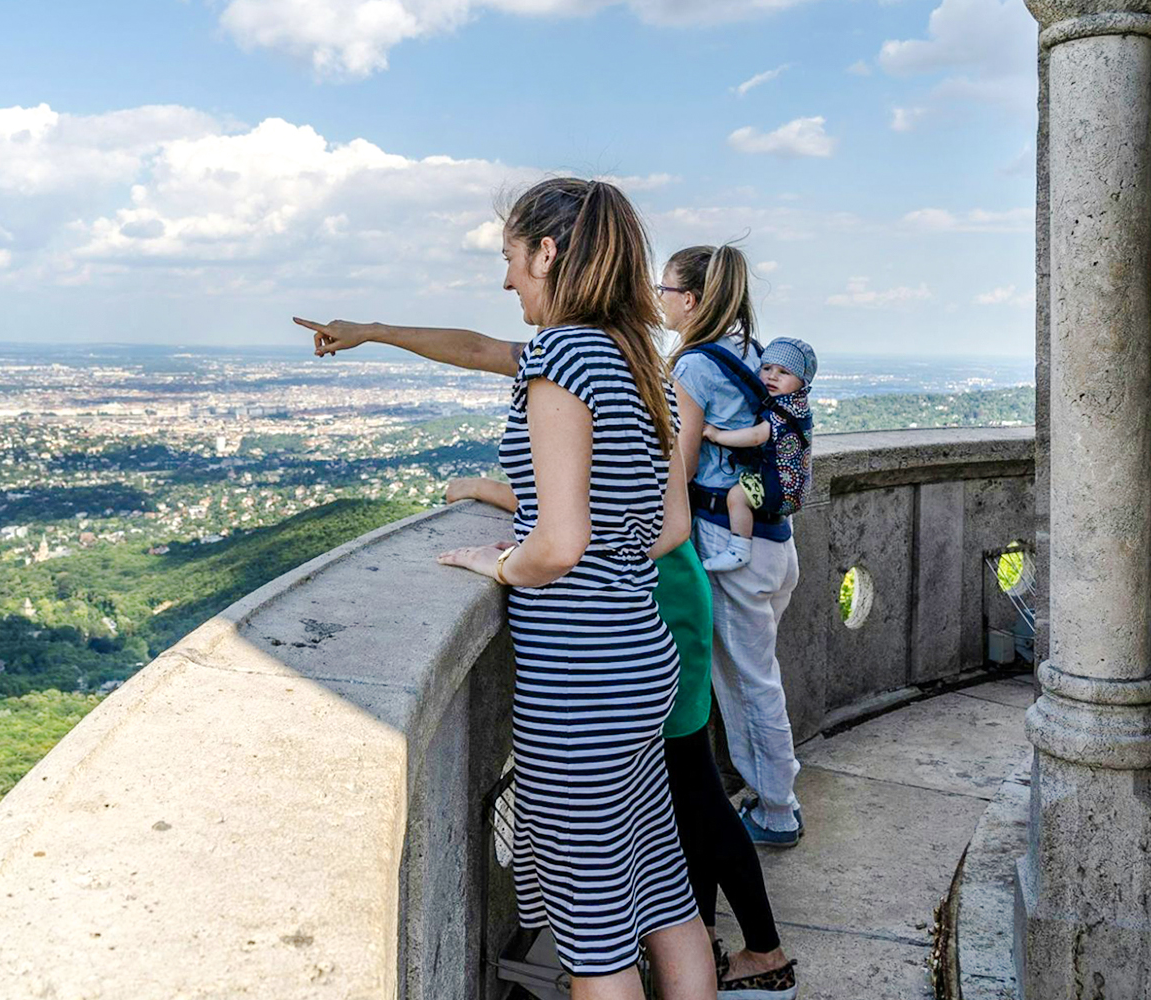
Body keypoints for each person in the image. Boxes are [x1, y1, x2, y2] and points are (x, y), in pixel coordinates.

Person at [295, 237, 799, 997]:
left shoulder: (562, 357)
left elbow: (559, 545)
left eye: (510, 256)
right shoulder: (636, 358)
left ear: (549, 252)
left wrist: (502, 562)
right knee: (664, 897)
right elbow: (665, 531)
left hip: (580, 679)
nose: (504, 278)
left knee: (596, 942)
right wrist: (374, 329)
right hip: (642, 654)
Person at [663, 244, 805, 851]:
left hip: (728, 543)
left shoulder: (694, 365)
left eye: (664, 290)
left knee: (749, 684)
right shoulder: (752, 352)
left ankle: (778, 811)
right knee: (755, 677)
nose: (657, 300)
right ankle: (767, 792)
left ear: (691, 300)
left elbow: (682, 460)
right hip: (773, 541)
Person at [698, 338, 817, 573]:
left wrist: (717, 435)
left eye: (783, 372)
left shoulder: (780, 412)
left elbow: (755, 437)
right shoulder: (798, 405)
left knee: (737, 496)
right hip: (794, 489)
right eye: (766, 368)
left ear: (802, 382)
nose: (772, 376)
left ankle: (739, 548)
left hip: (778, 489)